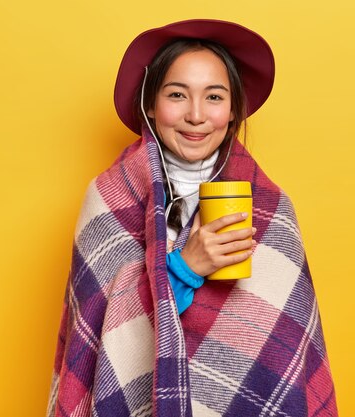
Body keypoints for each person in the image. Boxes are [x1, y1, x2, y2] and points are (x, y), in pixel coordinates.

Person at [47, 19, 337, 417]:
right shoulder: (109, 198)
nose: (196, 115)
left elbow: (286, 342)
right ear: (151, 103)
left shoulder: (272, 208)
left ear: (234, 110)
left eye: (214, 97)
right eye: (178, 94)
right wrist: (185, 267)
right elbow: (103, 339)